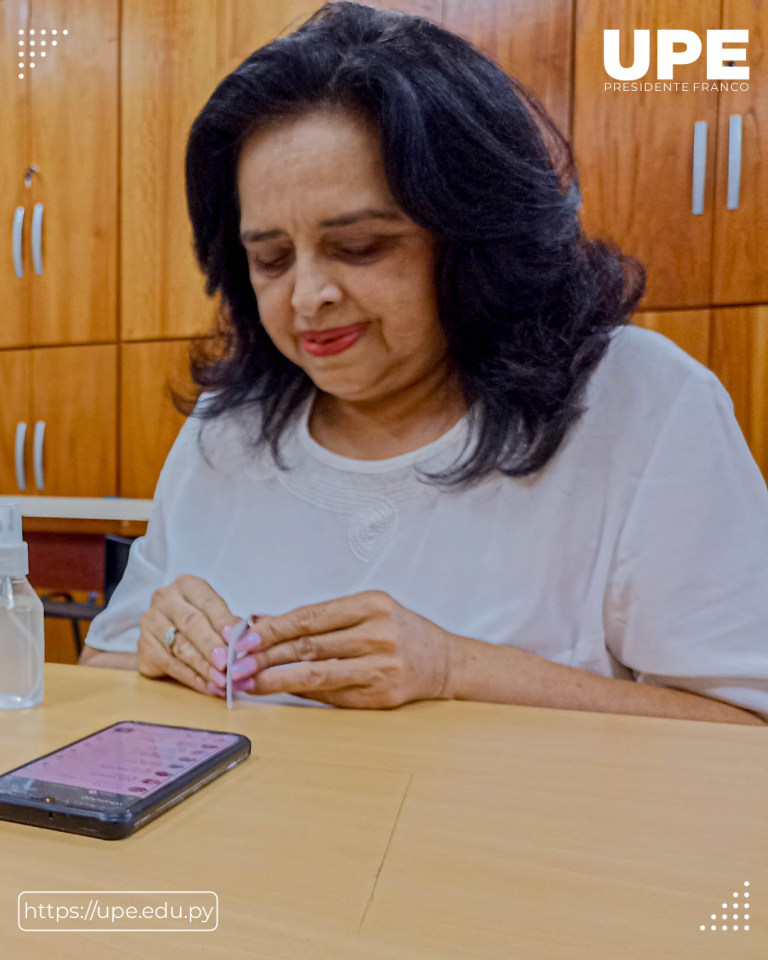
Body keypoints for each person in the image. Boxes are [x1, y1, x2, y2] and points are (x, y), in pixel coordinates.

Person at [80, 1, 768, 724]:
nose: (308, 297)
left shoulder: (641, 406)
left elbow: (747, 729)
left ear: (474, 240)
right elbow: (105, 668)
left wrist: (455, 667)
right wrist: (158, 649)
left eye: (361, 247)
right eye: (272, 259)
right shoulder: (227, 430)